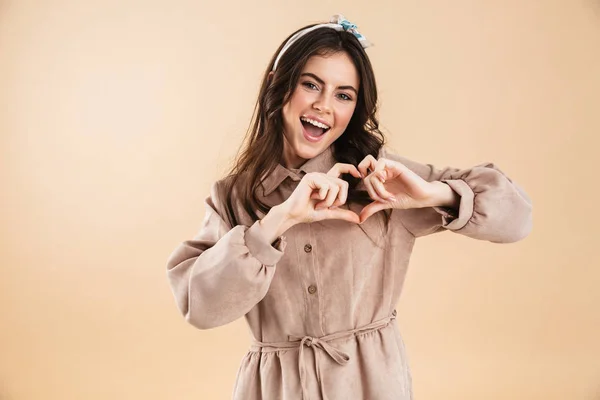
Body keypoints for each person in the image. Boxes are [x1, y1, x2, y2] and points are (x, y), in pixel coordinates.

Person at [165, 14, 533, 400]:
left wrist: (435, 195)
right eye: (311, 85)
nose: (324, 106)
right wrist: (278, 221)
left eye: (344, 95)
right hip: (277, 390)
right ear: (278, 84)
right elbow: (200, 308)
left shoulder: (379, 178)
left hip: (370, 385)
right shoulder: (233, 196)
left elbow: (518, 219)